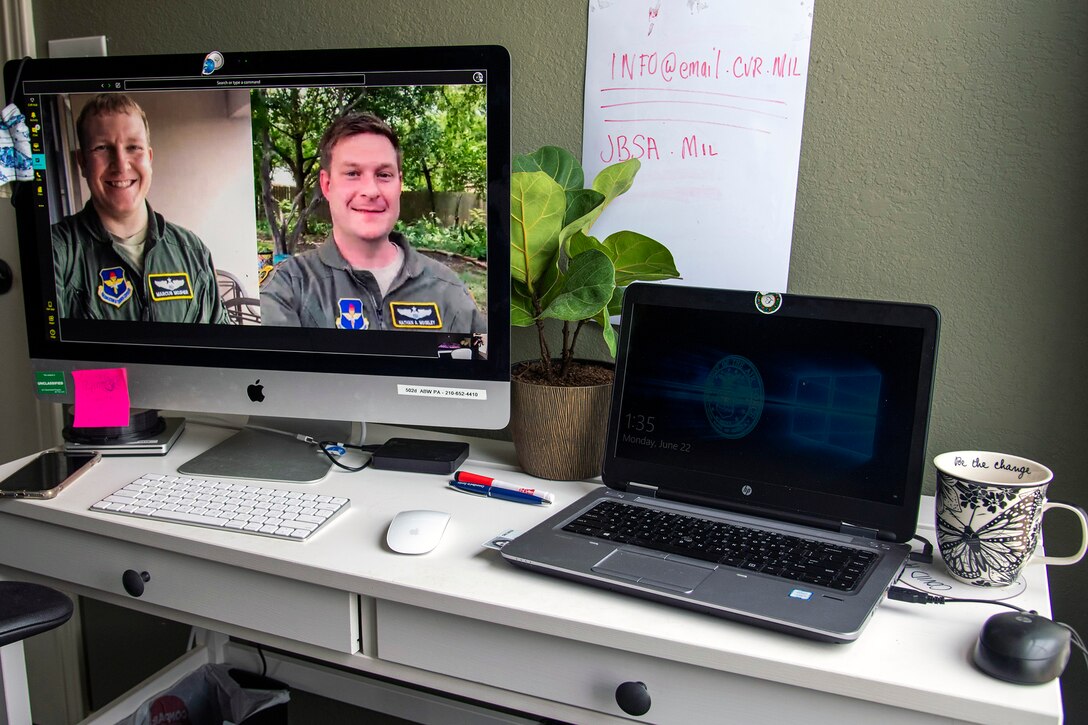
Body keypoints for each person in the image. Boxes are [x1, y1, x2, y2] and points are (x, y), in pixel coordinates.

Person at [260, 112, 485, 333]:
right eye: (352, 173)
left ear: (399, 184)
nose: (371, 191)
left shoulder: (448, 290)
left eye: (384, 175)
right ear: (327, 185)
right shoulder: (288, 289)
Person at [51, 93, 229, 323]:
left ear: (149, 158)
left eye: (133, 147)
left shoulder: (193, 252)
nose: (121, 164)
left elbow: (219, 349)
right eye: (102, 148)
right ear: (82, 162)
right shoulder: (56, 253)